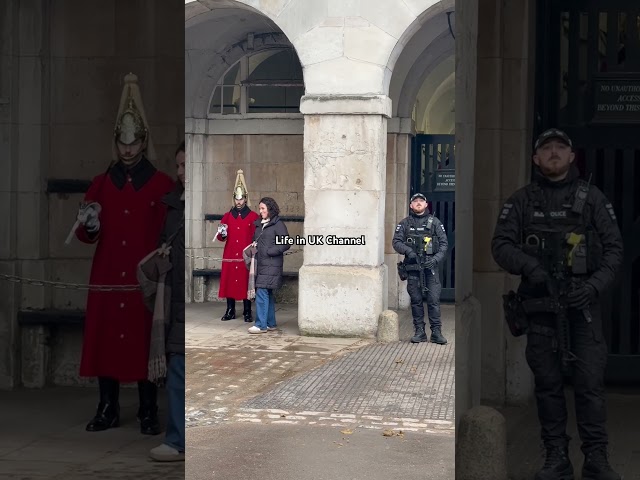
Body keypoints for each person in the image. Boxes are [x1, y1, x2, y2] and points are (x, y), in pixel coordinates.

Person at [491, 128, 623, 480]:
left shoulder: (591, 199)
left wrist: (593, 287)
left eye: (560, 148)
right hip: (540, 308)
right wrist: (529, 266)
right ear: (535, 158)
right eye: (546, 148)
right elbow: (500, 245)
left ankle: (596, 459)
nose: (553, 153)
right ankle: (556, 458)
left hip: (583, 309)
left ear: (571, 156)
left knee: (590, 385)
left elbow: (614, 251)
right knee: (548, 386)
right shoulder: (522, 200)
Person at [75, 73, 174, 435]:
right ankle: (108, 406)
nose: (128, 150)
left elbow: (168, 232)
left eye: (133, 143)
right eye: (122, 142)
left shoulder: (162, 183)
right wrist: (91, 224)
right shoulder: (101, 183)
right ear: (116, 142)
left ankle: (148, 409)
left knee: (143, 340)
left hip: (141, 278)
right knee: (106, 340)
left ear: (143, 142)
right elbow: (88, 235)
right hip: (107, 272)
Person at [149, 141, 185, 462]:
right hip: (174, 302)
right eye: (178, 166)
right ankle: (176, 441)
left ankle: (182, 440)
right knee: (176, 372)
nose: (181, 172)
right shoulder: (174, 206)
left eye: (186, 166)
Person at [392, 193, 448, 344]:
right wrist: (408, 251)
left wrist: (435, 259)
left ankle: (436, 332)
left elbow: (444, 244)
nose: (418, 203)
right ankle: (419, 331)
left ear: (426, 204)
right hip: (413, 267)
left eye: (421, 201)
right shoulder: (405, 223)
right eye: (415, 201)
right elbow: (396, 242)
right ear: (411, 205)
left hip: (431, 268)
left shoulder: (435, 222)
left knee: (433, 300)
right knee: (416, 300)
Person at [216, 170, 259, 322]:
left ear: (246, 199)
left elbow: (257, 235)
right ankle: (230, 310)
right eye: (236, 199)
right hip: (230, 254)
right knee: (229, 282)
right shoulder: (227, 216)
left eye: (241, 199)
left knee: (245, 282)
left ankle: (247, 311)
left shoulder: (253, 216)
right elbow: (221, 237)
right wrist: (223, 233)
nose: (239, 202)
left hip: (244, 256)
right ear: (234, 199)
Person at [246, 197, 290, 334]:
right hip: (261, 264)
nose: (261, 211)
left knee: (261, 292)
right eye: (260, 209)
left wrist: (270, 251)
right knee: (267, 294)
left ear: (270, 209)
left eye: (263, 208)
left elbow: (286, 243)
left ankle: (260, 325)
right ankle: (270, 323)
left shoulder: (278, 224)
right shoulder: (259, 224)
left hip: (272, 264)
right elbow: (256, 239)